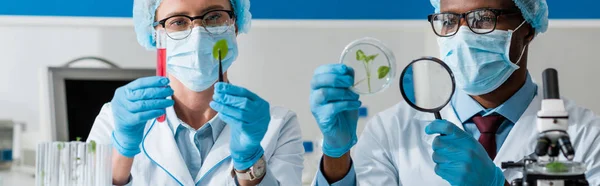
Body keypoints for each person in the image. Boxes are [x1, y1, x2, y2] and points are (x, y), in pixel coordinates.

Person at [310, 0, 600, 185]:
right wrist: (336, 155)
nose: (462, 35)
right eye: (449, 21)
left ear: (527, 28)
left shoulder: (587, 136)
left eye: (483, 18)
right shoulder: (392, 131)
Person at [87, 0, 304, 185]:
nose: (198, 33)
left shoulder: (278, 125)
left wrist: (250, 162)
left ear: (235, 26)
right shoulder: (114, 120)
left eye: (214, 16)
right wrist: (122, 153)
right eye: (178, 21)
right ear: (155, 36)